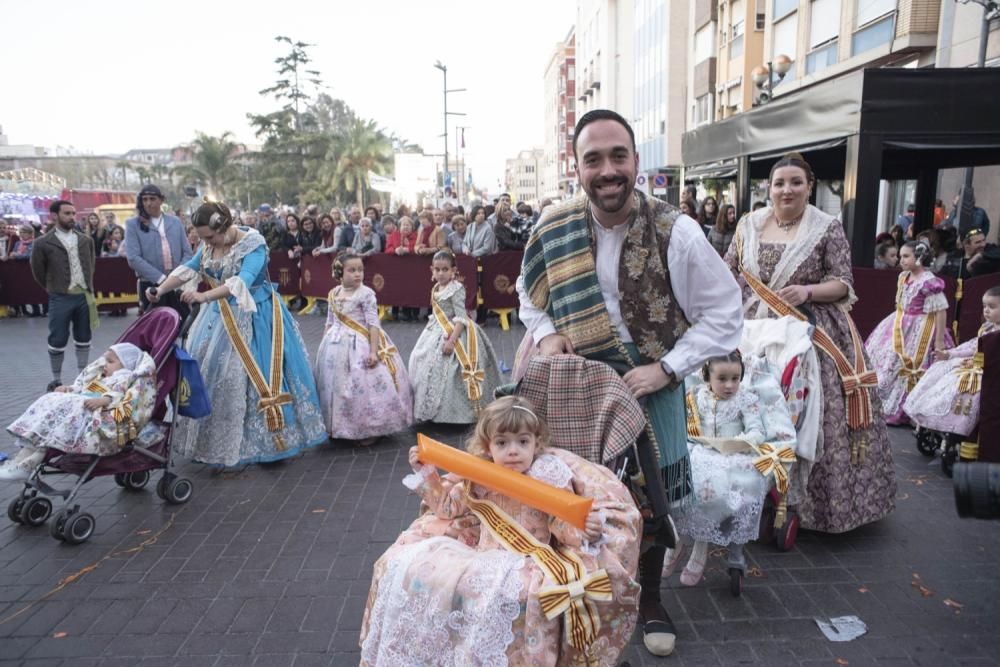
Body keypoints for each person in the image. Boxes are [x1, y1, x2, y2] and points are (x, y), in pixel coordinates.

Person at [517, 109, 743, 657]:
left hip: (646, 384)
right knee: (567, 494)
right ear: (577, 168)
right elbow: (530, 295)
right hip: (572, 385)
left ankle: (649, 600)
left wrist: (668, 367)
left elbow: (725, 314)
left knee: (646, 501)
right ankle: (570, 591)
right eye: (593, 158)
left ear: (636, 162)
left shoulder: (678, 232)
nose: (608, 169)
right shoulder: (553, 226)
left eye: (618, 156)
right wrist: (546, 335)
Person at [360, 396, 641, 665]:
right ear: (488, 446)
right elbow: (447, 509)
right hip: (483, 552)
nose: (513, 451)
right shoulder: (480, 472)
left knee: (515, 599)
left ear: (537, 442)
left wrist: (584, 529)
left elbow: (560, 521)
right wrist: (428, 473)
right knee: (414, 569)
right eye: (502, 443)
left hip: (528, 556)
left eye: (522, 442)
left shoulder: (547, 473)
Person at [725, 152, 896, 535]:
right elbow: (729, 270)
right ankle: (737, 495)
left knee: (809, 414)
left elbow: (843, 283)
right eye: (780, 183)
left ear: (809, 187)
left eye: (796, 182)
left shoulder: (827, 227)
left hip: (808, 329)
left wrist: (807, 290)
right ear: (768, 188)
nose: (787, 189)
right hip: (751, 333)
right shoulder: (748, 224)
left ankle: (801, 505)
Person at [147, 201, 327, 467]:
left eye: (208, 236)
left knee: (245, 375)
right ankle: (217, 441)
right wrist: (160, 289)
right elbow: (189, 268)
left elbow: (241, 281)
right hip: (219, 315)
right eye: (202, 238)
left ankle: (265, 440)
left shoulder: (253, 244)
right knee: (213, 374)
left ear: (224, 226)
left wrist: (203, 295)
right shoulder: (210, 244)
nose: (206, 243)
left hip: (255, 314)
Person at [669, 352, 770, 586]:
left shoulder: (746, 399)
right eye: (722, 378)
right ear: (707, 377)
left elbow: (758, 430)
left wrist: (741, 441)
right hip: (702, 450)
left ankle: (700, 546)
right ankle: (679, 540)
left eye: (735, 378)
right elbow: (684, 426)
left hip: (734, 455)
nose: (729, 385)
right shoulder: (697, 396)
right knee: (684, 478)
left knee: (731, 483)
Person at [0, 343, 155, 480]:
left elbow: (122, 395)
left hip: (98, 412)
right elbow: (85, 389)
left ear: (126, 364)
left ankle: (26, 465)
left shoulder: (124, 376)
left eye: (110, 361)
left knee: (54, 425)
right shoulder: (102, 377)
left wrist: (104, 400)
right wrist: (69, 389)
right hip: (85, 405)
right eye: (105, 360)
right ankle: (19, 461)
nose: (104, 364)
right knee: (53, 399)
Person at [314, 251, 413, 446]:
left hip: (360, 343)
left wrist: (373, 351)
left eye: (360, 270)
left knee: (362, 386)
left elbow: (373, 323)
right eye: (352, 270)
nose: (357, 274)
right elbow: (330, 321)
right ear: (339, 273)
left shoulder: (366, 293)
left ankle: (370, 428)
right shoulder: (333, 293)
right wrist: (323, 345)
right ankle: (338, 427)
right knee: (334, 387)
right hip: (335, 344)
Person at [865, 241, 953, 425]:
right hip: (898, 324)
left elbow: (940, 310)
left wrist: (938, 342)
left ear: (919, 258)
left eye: (906, 256)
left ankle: (911, 408)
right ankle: (881, 403)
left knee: (917, 365)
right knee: (889, 361)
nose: (901, 260)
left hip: (921, 327)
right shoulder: (904, 277)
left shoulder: (929, 281)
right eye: (900, 256)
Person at [408, 250, 502, 423]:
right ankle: (432, 410)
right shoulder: (436, 287)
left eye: (445, 269)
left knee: (453, 371)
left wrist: (452, 341)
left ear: (453, 270)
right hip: (435, 330)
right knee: (422, 361)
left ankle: (456, 413)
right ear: (432, 270)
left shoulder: (456, 289)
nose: (441, 273)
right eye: (437, 269)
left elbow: (461, 318)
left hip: (456, 332)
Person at [904, 286, 1000, 438]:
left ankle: (956, 426)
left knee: (966, 390)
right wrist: (949, 354)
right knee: (942, 371)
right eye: (984, 306)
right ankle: (932, 418)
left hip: (990, 373)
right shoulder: (986, 329)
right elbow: (972, 347)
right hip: (974, 365)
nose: (986, 310)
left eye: (992, 307)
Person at [30, 200, 97, 392]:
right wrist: (54, 287)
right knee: (57, 337)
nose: (71, 217)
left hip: (83, 295)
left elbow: (90, 266)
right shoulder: (42, 243)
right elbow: (38, 271)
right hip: (60, 296)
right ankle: (56, 379)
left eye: (73, 213)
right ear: (54, 216)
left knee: (84, 337)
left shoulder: (86, 240)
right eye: (67, 213)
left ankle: (82, 378)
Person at [124, 184, 193, 318]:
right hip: (151, 285)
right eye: (145, 199)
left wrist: (176, 276)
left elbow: (187, 253)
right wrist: (161, 279)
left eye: (152, 199)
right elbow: (133, 258)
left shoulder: (175, 222)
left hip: (177, 284)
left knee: (184, 325)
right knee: (156, 330)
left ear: (161, 200)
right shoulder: (133, 224)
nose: (148, 203)